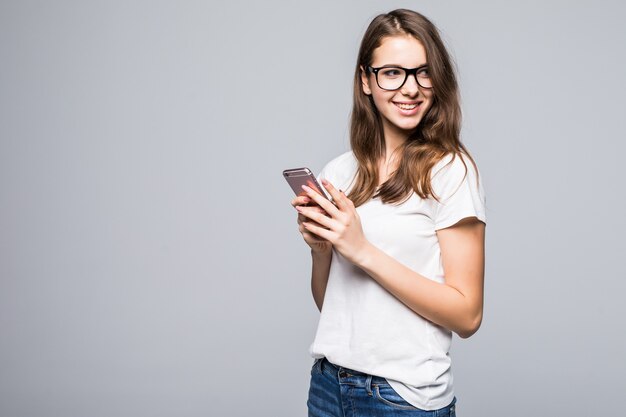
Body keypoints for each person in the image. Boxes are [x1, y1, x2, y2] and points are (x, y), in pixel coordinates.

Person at [291, 9, 486, 417]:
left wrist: (361, 249)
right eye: (392, 73)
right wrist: (321, 249)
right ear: (366, 80)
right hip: (329, 385)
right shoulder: (339, 172)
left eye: (423, 72)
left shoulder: (450, 171)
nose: (410, 88)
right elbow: (333, 305)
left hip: (402, 397)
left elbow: (468, 315)